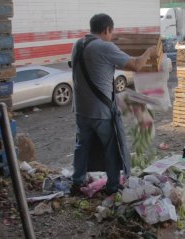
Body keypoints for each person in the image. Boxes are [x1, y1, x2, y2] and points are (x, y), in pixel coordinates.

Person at [70, 13, 157, 196]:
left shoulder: (78, 44)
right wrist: (149, 52)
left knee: (82, 147)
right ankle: (112, 187)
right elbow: (136, 65)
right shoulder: (104, 46)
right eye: (111, 32)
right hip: (101, 111)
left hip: (81, 110)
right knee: (112, 149)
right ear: (106, 29)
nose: (112, 36)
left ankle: (77, 182)